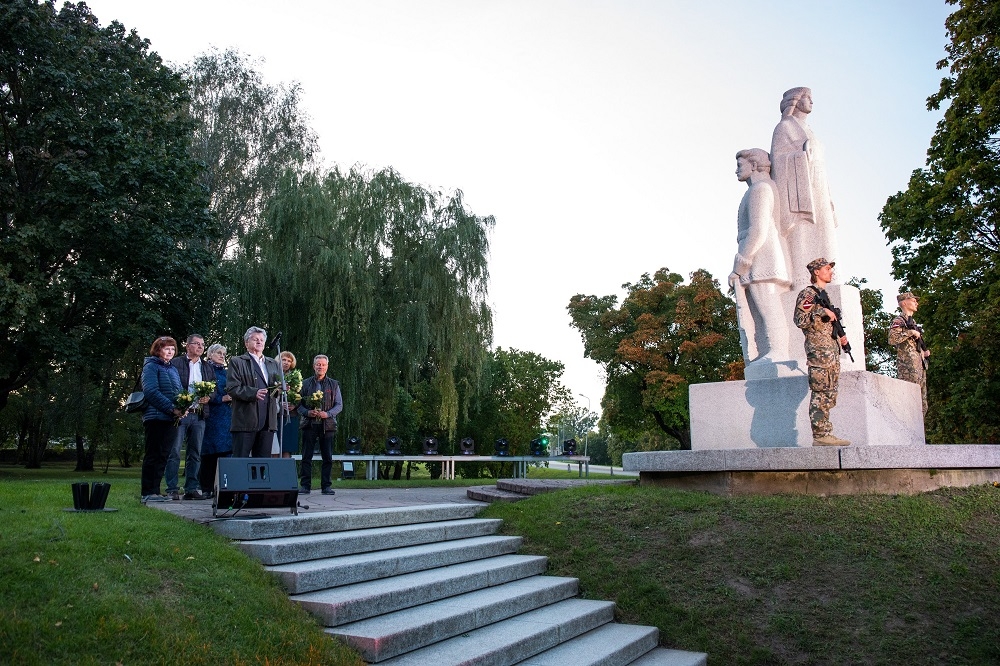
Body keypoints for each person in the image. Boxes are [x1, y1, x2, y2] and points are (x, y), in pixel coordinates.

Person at [728, 148, 792, 366]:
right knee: (761, 308)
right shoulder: (759, 188)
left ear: (753, 165)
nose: (736, 170)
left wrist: (740, 265)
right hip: (758, 256)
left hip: (762, 257)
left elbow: (758, 229)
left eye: (740, 165)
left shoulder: (760, 189)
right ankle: (772, 350)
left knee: (768, 305)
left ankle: (778, 350)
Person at [771, 87, 839, 287]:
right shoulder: (784, 127)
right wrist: (802, 157)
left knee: (825, 232)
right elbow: (778, 160)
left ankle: (829, 278)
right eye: (807, 97)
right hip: (798, 190)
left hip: (817, 184)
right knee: (803, 233)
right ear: (796, 101)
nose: (811, 101)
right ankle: (804, 279)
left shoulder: (809, 129)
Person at [793, 258, 850, 446]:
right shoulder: (808, 294)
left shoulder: (824, 295)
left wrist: (840, 337)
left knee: (829, 393)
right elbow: (800, 319)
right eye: (827, 269)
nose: (830, 272)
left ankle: (826, 432)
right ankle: (820, 435)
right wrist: (820, 313)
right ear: (816, 272)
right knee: (820, 392)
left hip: (831, 353)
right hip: (819, 354)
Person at [166, 334, 214, 500]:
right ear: (187, 346)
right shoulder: (177, 363)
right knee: (174, 452)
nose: (200, 347)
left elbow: (214, 389)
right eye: (197, 344)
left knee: (195, 453)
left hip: (199, 415)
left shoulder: (207, 367)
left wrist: (209, 397)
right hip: (181, 414)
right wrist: (178, 404)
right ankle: (172, 488)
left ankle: (191, 489)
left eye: (202, 344)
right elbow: (169, 385)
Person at [140, 336, 184, 503]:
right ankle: (147, 492)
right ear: (158, 350)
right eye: (167, 349)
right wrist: (171, 408)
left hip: (170, 418)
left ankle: (156, 491)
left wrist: (183, 407)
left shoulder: (172, 369)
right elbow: (151, 391)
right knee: (153, 454)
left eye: (172, 349)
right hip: (156, 416)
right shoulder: (151, 366)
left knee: (163, 455)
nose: (170, 352)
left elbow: (178, 391)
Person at [227, 326, 281, 457]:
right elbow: (232, 388)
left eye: (262, 340)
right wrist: (253, 393)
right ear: (246, 343)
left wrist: (280, 389)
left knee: (263, 464)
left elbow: (274, 390)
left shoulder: (272, 363)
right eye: (255, 339)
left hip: (268, 420)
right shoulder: (237, 362)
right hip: (245, 420)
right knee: (241, 462)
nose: (259, 342)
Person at [297, 354, 343, 495]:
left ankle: (326, 486)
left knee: (327, 457)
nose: (320, 367)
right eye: (318, 364)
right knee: (306, 456)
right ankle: (305, 486)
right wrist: (307, 412)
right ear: (314, 366)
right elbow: (298, 405)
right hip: (309, 424)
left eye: (323, 364)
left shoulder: (334, 384)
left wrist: (327, 414)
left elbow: (339, 405)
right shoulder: (304, 383)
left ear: (327, 366)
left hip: (327, 425)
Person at [200, 343, 233, 494]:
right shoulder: (205, 369)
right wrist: (221, 398)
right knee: (210, 451)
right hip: (211, 414)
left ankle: (221, 486)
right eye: (218, 353)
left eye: (224, 354)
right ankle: (206, 487)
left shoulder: (226, 373)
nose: (222, 356)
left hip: (226, 415)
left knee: (225, 451)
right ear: (210, 354)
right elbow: (203, 392)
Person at [889, 292, 930, 415]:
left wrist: (924, 352)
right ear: (905, 303)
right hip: (908, 368)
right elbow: (892, 339)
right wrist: (910, 333)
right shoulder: (899, 320)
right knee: (910, 403)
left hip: (919, 366)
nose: (916, 303)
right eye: (913, 300)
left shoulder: (912, 322)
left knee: (922, 406)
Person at [276, 351, 300, 459]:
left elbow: (300, 396)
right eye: (284, 360)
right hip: (275, 416)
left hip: (290, 416)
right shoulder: (272, 374)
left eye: (289, 361)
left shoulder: (296, 377)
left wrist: (295, 405)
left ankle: (285, 474)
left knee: (287, 448)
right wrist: (279, 404)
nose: (286, 363)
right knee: (274, 449)